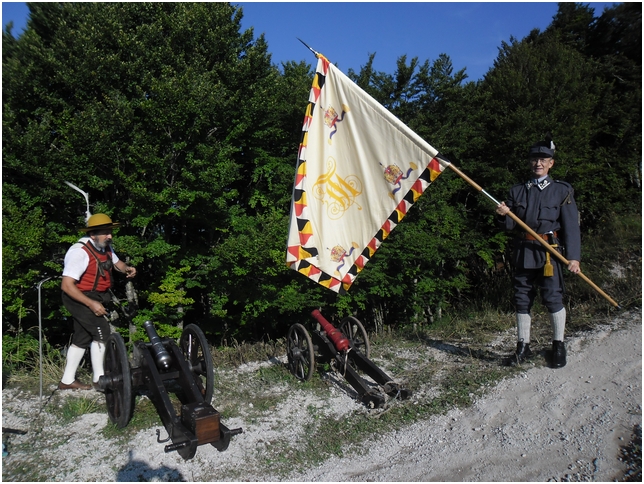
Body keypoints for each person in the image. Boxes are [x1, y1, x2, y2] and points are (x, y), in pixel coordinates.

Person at [495, 136, 581, 368]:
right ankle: (523, 347)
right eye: (534, 159)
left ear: (551, 163)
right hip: (524, 250)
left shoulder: (561, 191)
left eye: (543, 159)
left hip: (549, 253)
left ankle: (558, 345)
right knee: (521, 298)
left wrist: (573, 257)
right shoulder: (517, 191)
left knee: (553, 297)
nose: (538, 163)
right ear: (529, 162)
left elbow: (571, 226)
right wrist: (503, 214)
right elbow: (511, 227)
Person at [58, 213, 137, 390]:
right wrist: (91, 303)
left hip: (96, 296)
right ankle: (100, 380)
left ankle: (67, 380)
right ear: (92, 234)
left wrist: (127, 269)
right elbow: (67, 285)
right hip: (78, 296)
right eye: (105, 232)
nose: (110, 236)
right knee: (102, 330)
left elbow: (117, 263)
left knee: (82, 337)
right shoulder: (79, 252)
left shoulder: (105, 246)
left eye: (110, 231)